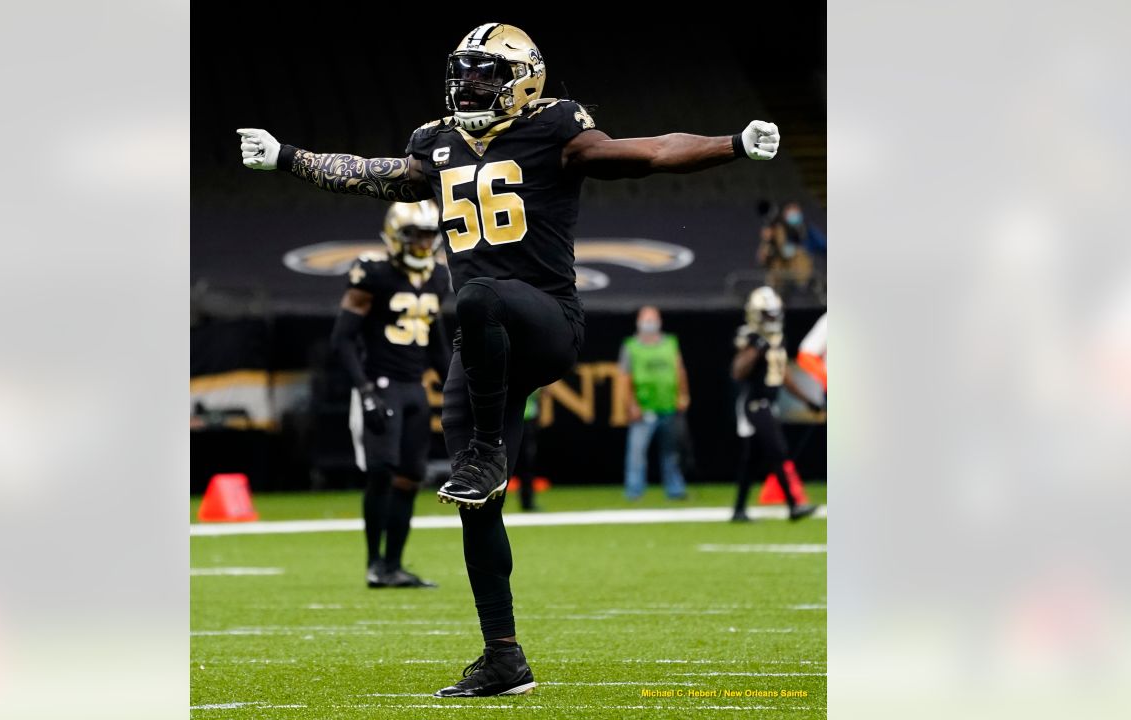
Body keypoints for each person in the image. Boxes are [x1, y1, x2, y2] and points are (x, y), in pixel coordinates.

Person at [237, 22, 782, 697]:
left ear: (524, 78)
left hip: (547, 319)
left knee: (480, 295)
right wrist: (286, 155)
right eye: (463, 71)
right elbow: (372, 176)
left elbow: (650, 152)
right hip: (482, 342)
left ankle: (489, 450)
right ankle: (503, 655)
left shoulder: (556, 127)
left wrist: (731, 144)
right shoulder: (435, 143)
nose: (468, 84)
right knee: (477, 505)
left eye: (484, 72)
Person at [329, 200, 450, 589]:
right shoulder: (373, 273)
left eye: (429, 236)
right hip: (380, 385)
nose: (422, 244)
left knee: (410, 477)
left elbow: (437, 344)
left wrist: (454, 388)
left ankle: (394, 565)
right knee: (380, 474)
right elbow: (342, 340)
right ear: (397, 236)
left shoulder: (436, 278)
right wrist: (364, 390)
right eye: (415, 236)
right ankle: (374, 564)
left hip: (415, 389)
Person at [730, 287, 821, 522]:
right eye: (767, 314)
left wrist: (807, 401)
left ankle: (739, 510)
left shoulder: (777, 338)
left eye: (774, 314)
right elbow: (738, 372)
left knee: (752, 458)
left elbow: (783, 376)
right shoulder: (751, 338)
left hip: (769, 404)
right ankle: (793, 506)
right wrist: (757, 349)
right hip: (754, 404)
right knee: (778, 451)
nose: (772, 318)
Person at [618, 306, 690, 501]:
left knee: (671, 452)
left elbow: (680, 370)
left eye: (653, 318)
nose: (649, 323)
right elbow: (624, 378)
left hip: (669, 406)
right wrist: (631, 404)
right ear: (639, 321)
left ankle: (675, 489)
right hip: (644, 407)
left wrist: (683, 395)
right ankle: (634, 491)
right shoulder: (631, 346)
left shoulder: (670, 344)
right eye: (646, 319)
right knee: (637, 452)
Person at [756, 202, 817, 293]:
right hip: (779, 279)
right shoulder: (774, 231)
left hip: (798, 278)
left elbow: (788, 251)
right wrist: (767, 250)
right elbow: (763, 258)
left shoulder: (801, 233)